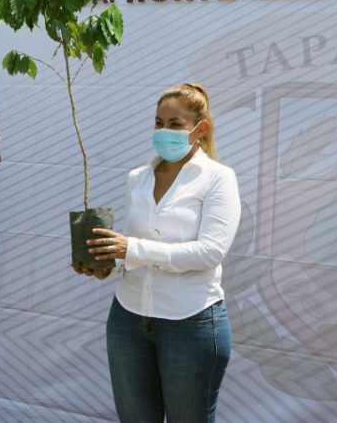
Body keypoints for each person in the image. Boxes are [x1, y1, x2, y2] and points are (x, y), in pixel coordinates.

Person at [76, 83, 240, 423]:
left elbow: (210, 252)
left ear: (201, 129)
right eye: (158, 122)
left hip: (191, 321)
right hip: (128, 318)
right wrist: (110, 264)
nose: (164, 131)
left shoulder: (218, 179)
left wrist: (130, 248)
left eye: (175, 124)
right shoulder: (137, 177)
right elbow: (136, 247)